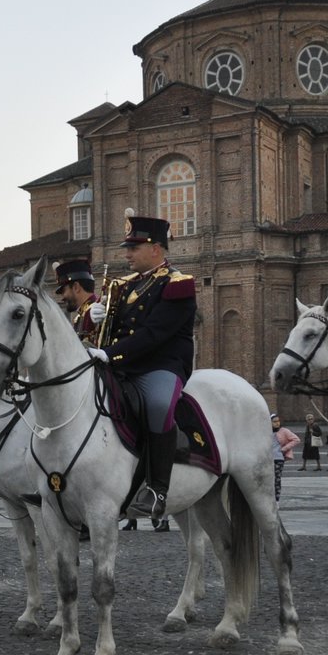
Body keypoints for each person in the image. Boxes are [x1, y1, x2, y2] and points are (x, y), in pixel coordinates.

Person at [86, 210, 196, 520]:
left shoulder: (178, 284)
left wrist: (111, 355)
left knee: (160, 404)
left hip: (161, 364)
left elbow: (155, 334)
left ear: (156, 249)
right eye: (127, 248)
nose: (128, 253)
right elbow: (103, 329)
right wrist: (91, 318)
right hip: (121, 365)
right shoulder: (123, 285)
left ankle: (157, 489)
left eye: (134, 248)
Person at [52, 257, 99, 343]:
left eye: (63, 291)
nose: (62, 298)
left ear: (76, 287)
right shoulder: (82, 315)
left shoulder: (95, 313)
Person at [270, 414, 299, 503]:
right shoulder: (266, 432)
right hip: (267, 459)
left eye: (278, 421)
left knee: (277, 479)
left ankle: (276, 500)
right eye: (274, 421)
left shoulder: (284, 431)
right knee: (268, 479)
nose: (277, 423)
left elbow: (296, 439)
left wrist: (284, 449)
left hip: (278, 458)